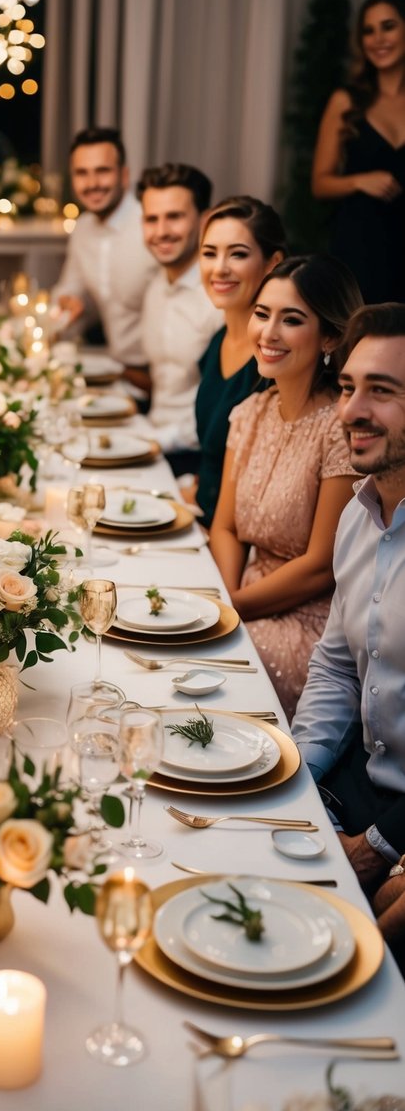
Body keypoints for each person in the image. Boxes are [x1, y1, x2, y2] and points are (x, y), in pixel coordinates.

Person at [291, 303, 405, 960]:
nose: (350, 410)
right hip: (357, 782)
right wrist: (297, 776)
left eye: (381, 392)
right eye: (346, 387)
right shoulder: (358, 517)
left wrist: (375, 848)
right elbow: (335, 667)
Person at [210, 254, 362, 718]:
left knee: (184, 669)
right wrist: (224, 597)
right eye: (262, 314)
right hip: (244, 596)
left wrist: (229, 611)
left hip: (306, 623)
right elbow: (226, 528)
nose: (268, 333)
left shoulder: (342, 428)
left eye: (291, 320)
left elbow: (321, 566)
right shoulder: (251, 413)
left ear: (330, 337)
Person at [194, 197, 287, 525]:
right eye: (209, 253)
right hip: (199, 520)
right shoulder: (218, 342)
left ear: (273, 262)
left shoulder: (274, 361)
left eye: (238, 254)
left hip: (238, 540)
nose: (219, 267)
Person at [312, 0, 405, 305]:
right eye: (369, 30)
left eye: (388, 26)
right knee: (359, 342)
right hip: (360, 249)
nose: (378, 38)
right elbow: (320, 184)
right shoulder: (346, 101)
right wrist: (360, 181)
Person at [132, 162, 223, 475]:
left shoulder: (218, 299)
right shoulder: (155, 287)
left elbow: (226, 409)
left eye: (174, 217)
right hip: (152, 439)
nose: (161, 232)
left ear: (205, 219)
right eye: (151, 219)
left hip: (194, 461)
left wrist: (155, 440)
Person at [51, 128, 156, 370]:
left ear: (124, 175)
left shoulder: (152, 225)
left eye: (102, 171)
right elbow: (70, 290)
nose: (92, 184)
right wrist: (68, 303)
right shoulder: (82, 229)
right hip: (116, 367)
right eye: (81, 173)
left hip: (159, 375)